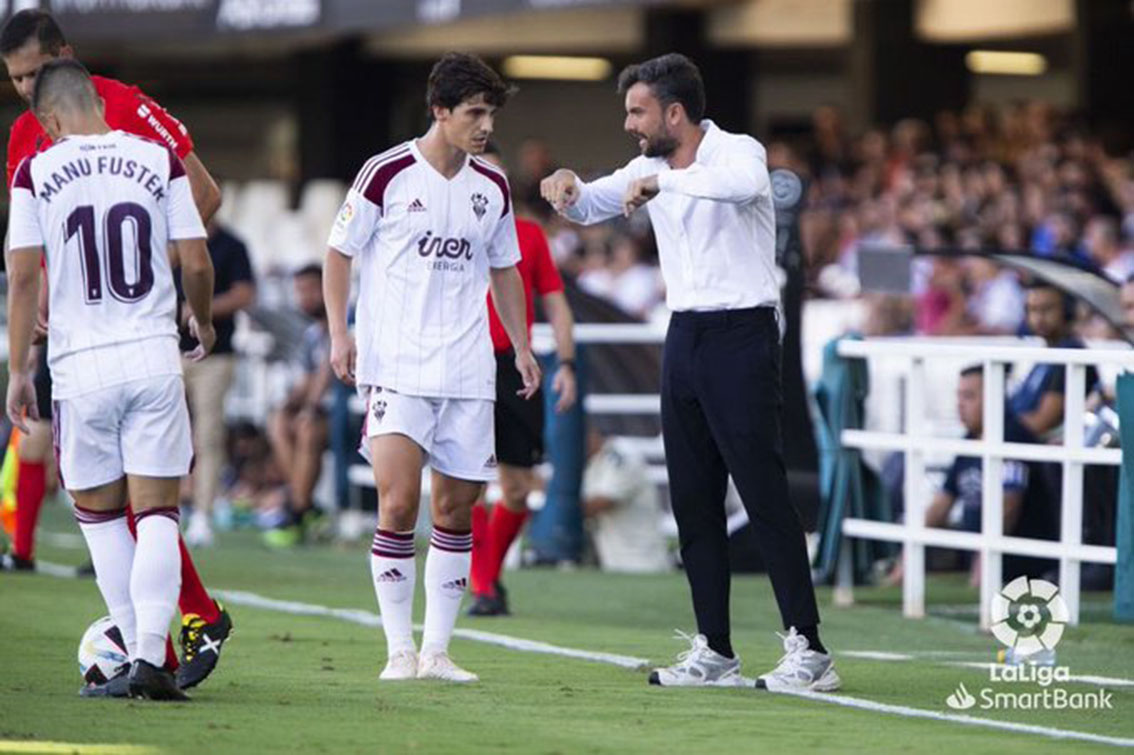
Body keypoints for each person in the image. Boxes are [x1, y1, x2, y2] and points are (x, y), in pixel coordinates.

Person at [541, 53, 838, 691]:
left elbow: (733, 188)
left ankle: (809, 650)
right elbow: (595, 202)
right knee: (693, 500)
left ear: (675, 112)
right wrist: (568, 187)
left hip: (743, 332)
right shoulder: (648, 166)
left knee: (762, 492)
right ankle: (715, 650)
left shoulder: (740, 153)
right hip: (686, 335)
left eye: (637, 111)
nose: (629, 124)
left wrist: (662, 186)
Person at [0, 9, 232, 691]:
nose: (24, 90)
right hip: (146, 347)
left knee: (106, 510)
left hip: (84, 355)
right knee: (154, 506)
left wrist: (20, 357)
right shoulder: (39, 135)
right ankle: (167, 634)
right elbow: (194, 257)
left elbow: (207, 194)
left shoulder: (111, 117)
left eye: (34, 74)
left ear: (65, 61)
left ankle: (164, 634)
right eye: (14, 79)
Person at [324, 53, 540, 683]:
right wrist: (342, 334)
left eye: (490, 112)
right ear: (439, 110)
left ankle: (438, 651)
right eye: (474, 112)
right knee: (396, 505)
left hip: (468, 369)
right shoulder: (386, 173)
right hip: (397, 364)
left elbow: (504, 268)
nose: (484, 125)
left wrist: (522, 346)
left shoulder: (491, 187)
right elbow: (338, 254)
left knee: (454, 508)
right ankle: (397, 648)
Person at [467, 143, 577, 617]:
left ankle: (488, 580)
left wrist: (567, 363)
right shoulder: (444, 232)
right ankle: (483, 584)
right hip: (461, 362)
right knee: (463, 483)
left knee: (517, 486)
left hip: (515, 364)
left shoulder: (529, 235)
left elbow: (555, 301)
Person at [915, 367, 1057, 584]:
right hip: (985, 561)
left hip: (1023, 569)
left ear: (994, 399)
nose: (960, 404)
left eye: (969, 396)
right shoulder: (970, 440)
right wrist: (908, 555)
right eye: (959, 396)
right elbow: (941, 502)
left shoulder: (1013, 437)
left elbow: (1009, 505)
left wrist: (984, 564)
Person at [180, 222, 256, 548]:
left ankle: (202, 512)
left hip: (215, 355)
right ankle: (161, 505)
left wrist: (201, 312)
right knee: (162, 433)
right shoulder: (173, 237)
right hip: (168, 349)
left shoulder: (231, 245)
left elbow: (244, 293)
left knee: (208, 435)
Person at [266, 264, 334, 547]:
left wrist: (308, 407)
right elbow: (307, 380)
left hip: (349, 412)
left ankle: (296, 510)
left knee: (306, 428)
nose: (304, 297)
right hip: (319, 412)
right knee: (278, 421)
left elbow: (328, 372)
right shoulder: (312, 335)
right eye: (299, 291)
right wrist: (289, 405)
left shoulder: (347, 320)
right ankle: (304, 506)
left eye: (310, 289)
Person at [1009, 282, 1099, 439]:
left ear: (1067, 311)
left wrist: (996, 428)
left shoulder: (1071, 353)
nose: (1039, 317)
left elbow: (1042, 422)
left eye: (1047, 309)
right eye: (1032, 310)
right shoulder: (1048, 353)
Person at [581, 429, 669, 574]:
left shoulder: (621, 457)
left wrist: (552, 502)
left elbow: (599, 504)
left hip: (643, 564)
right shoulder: (592, 464)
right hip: (614, 564)